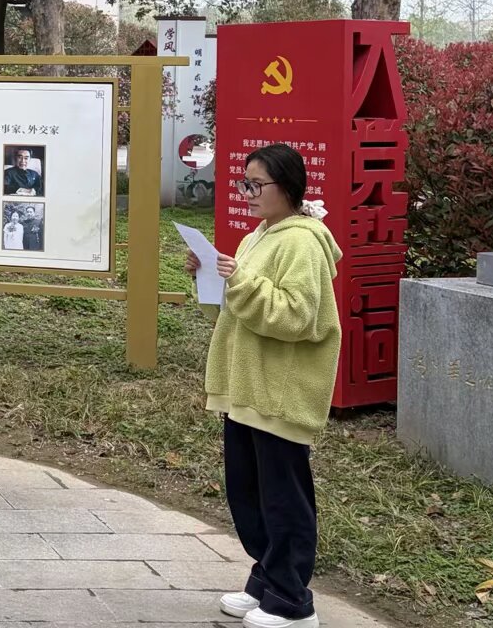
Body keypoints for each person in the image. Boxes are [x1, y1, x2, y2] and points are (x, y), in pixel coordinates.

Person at [187, 143, 341, 628]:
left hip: (279, 392)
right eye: (244, 183)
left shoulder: (302, 242)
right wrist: (211, 277)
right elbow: (236, 310)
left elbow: (297, 316)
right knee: (250, 494)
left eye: (257, 185)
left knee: (282, 499)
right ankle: (268, 582)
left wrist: (240, 281)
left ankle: (293, 603)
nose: (247, 193)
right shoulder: (260, 236)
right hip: (249, 388)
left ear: (288, 187)